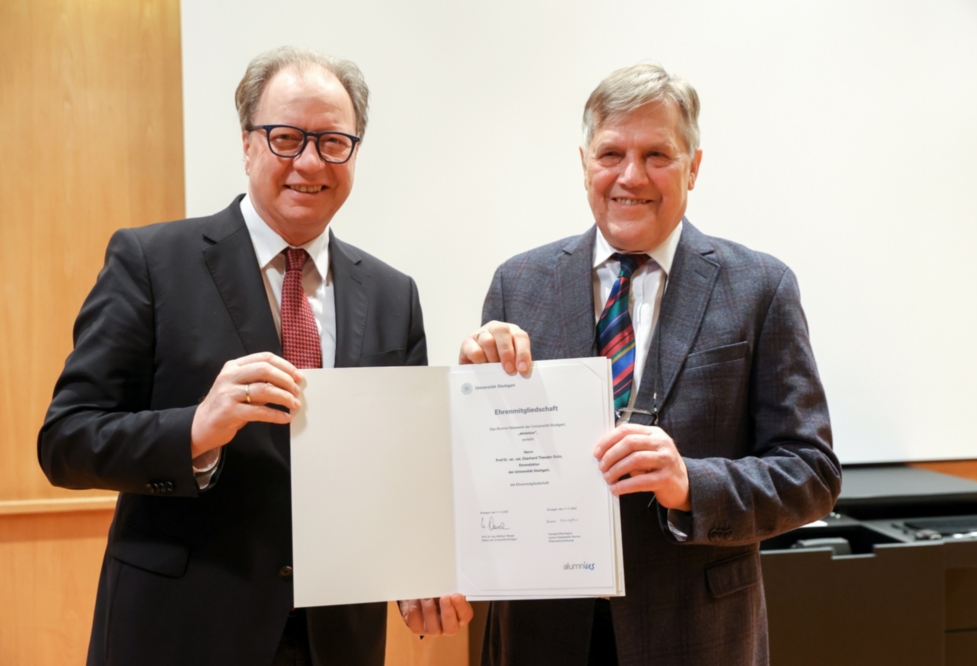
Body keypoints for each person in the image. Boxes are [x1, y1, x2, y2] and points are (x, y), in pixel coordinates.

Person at [38, 46, 470, 666]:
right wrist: (194, 429)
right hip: (181, 632)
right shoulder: (151, 263)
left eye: (333, 142)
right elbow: (65, 440)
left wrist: (416, 573)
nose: (310, 162)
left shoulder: (392, 293)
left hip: (335, 638)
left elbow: (397, 470)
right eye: (286, 138)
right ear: (247, 144)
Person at [460, 63, 842, 665]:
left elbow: (813, 474)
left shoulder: (760, 288)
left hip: (697, 632)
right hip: (542, 632)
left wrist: (691, 483)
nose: (630, 176)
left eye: (657, 154)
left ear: (693, 166)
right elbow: (483, 474)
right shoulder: (519, 285)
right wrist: (472, 395)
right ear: (584, 161)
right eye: (611, 152)